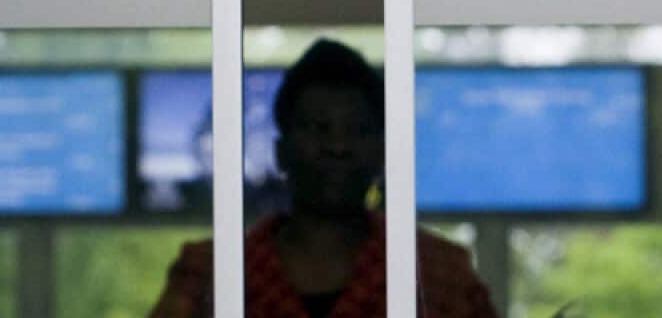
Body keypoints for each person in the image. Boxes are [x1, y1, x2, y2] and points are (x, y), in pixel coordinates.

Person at [149, 39, 498, 318]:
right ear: (281, 152)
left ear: (381, 153)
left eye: (357, 130)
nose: (337, 146)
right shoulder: (207, 274)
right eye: (318, 128)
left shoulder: (439, 275)